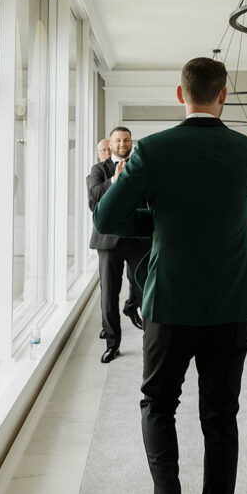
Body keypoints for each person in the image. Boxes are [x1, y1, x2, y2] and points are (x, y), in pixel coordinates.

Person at [92, 57, 247, 494]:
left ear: (179, 94)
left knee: (157, 405)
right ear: (224, 96)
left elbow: (107, 218)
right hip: (230, 304)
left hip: (168, 304)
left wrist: (156, 219)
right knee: (220, 421)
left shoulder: (153, 148)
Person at [87, 126, 150, 363]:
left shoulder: (141, 165)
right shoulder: (99, 170)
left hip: (138, 238)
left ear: (131, 143)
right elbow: (94, 201)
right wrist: (114, 180)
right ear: (110, 145)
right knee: (109, 296)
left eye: (126, 140)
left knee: (145, 289)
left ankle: (151, 341)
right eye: (117, 140)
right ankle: (113, 344)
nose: (122, 144)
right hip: (108, 241)